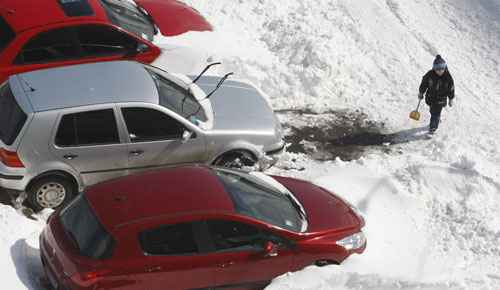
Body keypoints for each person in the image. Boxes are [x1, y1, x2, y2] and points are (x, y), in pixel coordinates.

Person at [418, 55, 455, 134]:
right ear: (434, 68)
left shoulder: (448, 77)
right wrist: (421, 92)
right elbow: (424, 84)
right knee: (432, 111)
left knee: (435, 113)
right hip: (430, 97)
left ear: (444, 68)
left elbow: (451, 88)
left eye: (442, 69)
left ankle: (433, 129)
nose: (440, 71)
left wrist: (451, 99)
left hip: (441, 99)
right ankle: (436, 119)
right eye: (437, 69)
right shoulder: (430, 75)